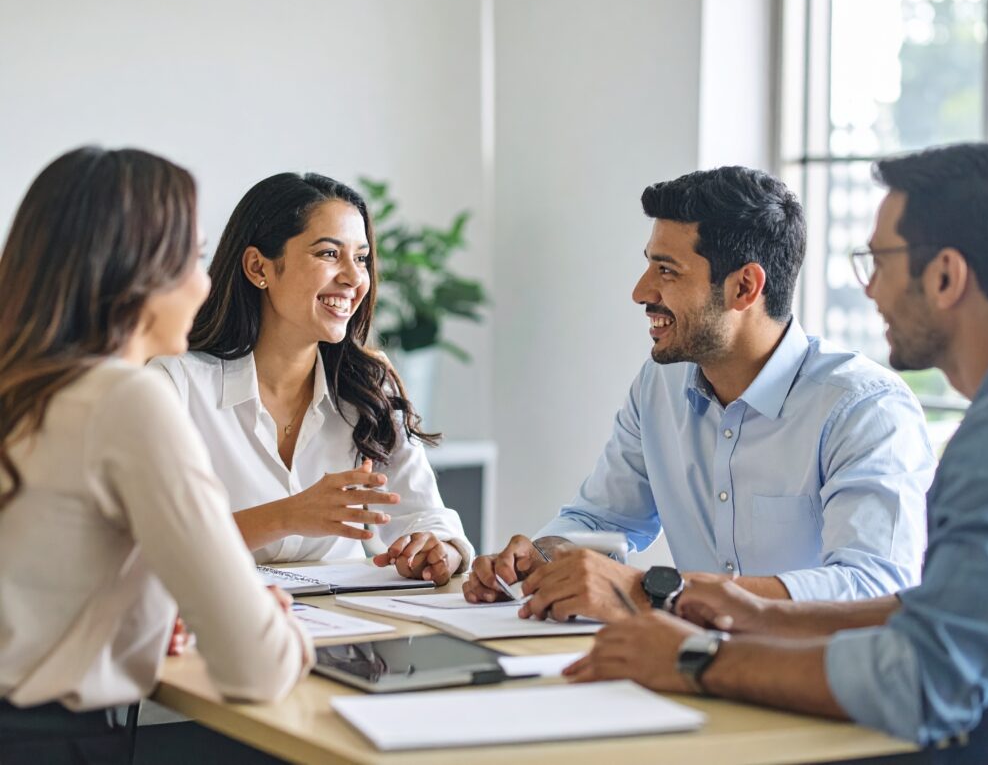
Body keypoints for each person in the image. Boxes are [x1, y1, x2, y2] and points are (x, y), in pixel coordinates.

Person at [570, 143, 988, 753]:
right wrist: (759, 615)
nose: (869, 291)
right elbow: (935, 612)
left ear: (945, 275)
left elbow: (926, 677)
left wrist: (696, 656)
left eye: (880, 262)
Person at [465, 165, 935, 621]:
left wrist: (656, 593)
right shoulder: (659, 387)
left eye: (667, 271)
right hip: (688, 669)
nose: (640, 291)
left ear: (744, 287)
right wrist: (542, 555)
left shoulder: (863, 409)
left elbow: (873, 586)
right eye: (649, 265)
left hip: (809, 684)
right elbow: (600, 519)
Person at [0, 148, 311, 758]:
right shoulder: (125, 399)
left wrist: (138, 612)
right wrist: (268, 622)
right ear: (136, 272)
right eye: (193, 258)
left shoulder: (23, 390)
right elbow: (256, 668)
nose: (205, 283)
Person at [152, 173, 471, 585]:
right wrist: (288, 515)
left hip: (348, 634)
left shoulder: (369, 385)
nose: (354, 279)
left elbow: (423, 513)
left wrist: (436, 548)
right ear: (258, 267)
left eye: (361, 258)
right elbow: (151, 544)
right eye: (328, 254)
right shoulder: (175, 386)